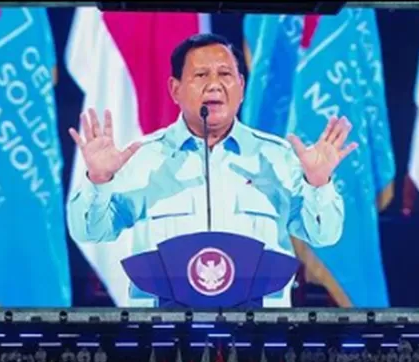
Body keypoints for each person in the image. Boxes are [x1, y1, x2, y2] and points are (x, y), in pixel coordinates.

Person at [67, 33, 356, 308]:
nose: (215, 84)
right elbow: (90, 232)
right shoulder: (143, 158)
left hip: (258, 339)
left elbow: (324, 235)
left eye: (225, 74)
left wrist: (319, 184)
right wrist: (99, 180)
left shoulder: (278, 158)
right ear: (175, 89)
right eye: (201, 75)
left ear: (241, 87)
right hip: (165, 338)